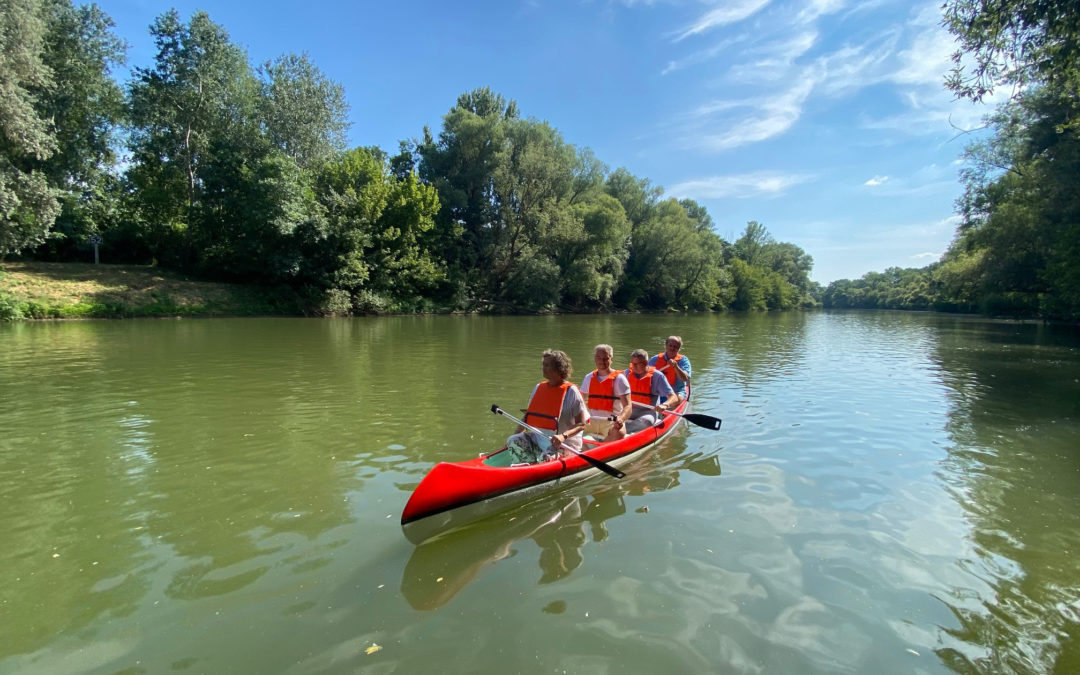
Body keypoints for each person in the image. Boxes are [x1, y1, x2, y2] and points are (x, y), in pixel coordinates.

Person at [506, 349, 588, 464]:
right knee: (512, 440)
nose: (543, 368)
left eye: (547, 365)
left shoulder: (572, 392)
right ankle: (530, 466)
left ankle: (536, 469)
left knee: (546, 458)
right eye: (543, 364)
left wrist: (563, 436)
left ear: (559, 368)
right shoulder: (538, 388)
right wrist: (515, 436)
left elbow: (582, 425)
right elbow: (528, 417)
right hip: (539, 440)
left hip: (563, 444)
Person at [579, 344, 632, 442]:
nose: (602, 361)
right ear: (595, 359)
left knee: (619, 432)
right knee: (567, 426)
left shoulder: (620, 379)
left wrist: (621, 419)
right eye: (599, 358)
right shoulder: (588, 378)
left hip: (611, 422)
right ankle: (586, 450)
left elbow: (628, 406)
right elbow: (579, 401)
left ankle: (600, 451)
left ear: (611, 359)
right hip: (592, 421)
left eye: (605, 358)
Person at [624, 348, 677, 434]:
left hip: (648, 412)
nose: (633, 367)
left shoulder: (658, 376)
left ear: (645, 363)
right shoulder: (626, 374)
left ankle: (622, 431)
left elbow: (673, 397)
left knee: (645, 422)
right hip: (629, 409)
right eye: (632, 364)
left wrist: (665, 405)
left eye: (637, 364)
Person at [648, 335, 691, 406]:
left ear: (679, 348)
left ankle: (664, 408)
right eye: (670, 345)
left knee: (677, 398)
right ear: (666, 345)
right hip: (658, 392)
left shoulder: (684, 361)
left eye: (675, 347)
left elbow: (685, 378)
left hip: (676, 391)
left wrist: (676, 367)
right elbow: (645, 374)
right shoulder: (654, 359)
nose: (672, 348)